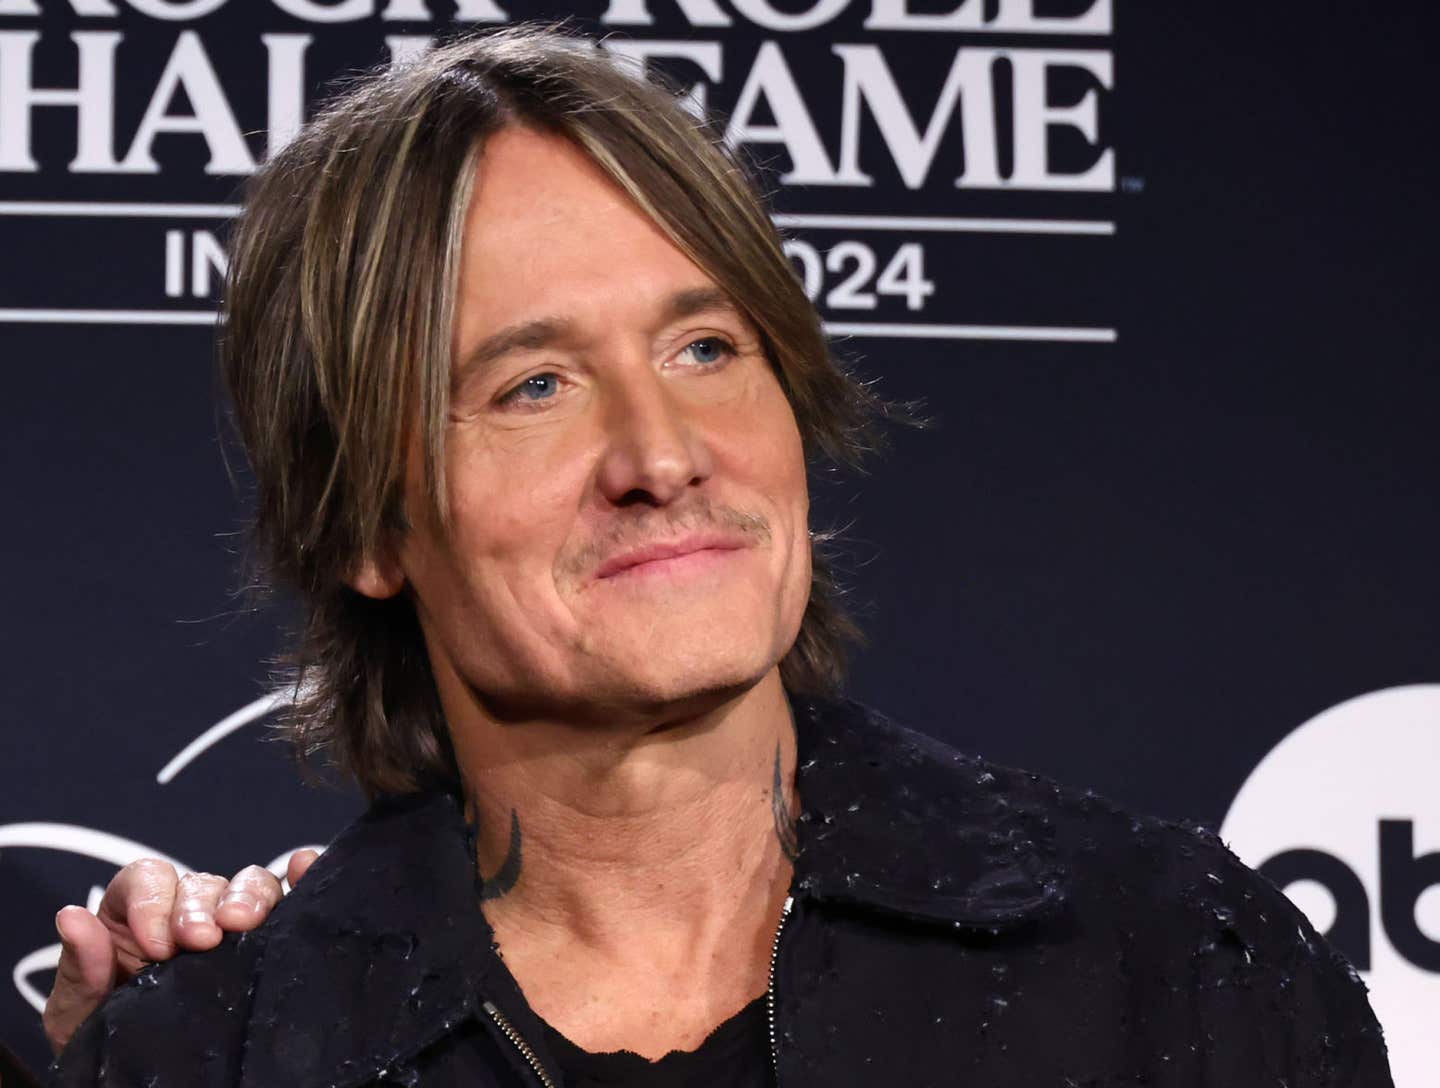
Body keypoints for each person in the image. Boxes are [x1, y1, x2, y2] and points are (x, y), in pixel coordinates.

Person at [46, 26, 1391, 1088]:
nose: (663, 452)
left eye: (706, 350)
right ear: (365, 528)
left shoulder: (1178, 962)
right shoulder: (211, 1051)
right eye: (534, 387)